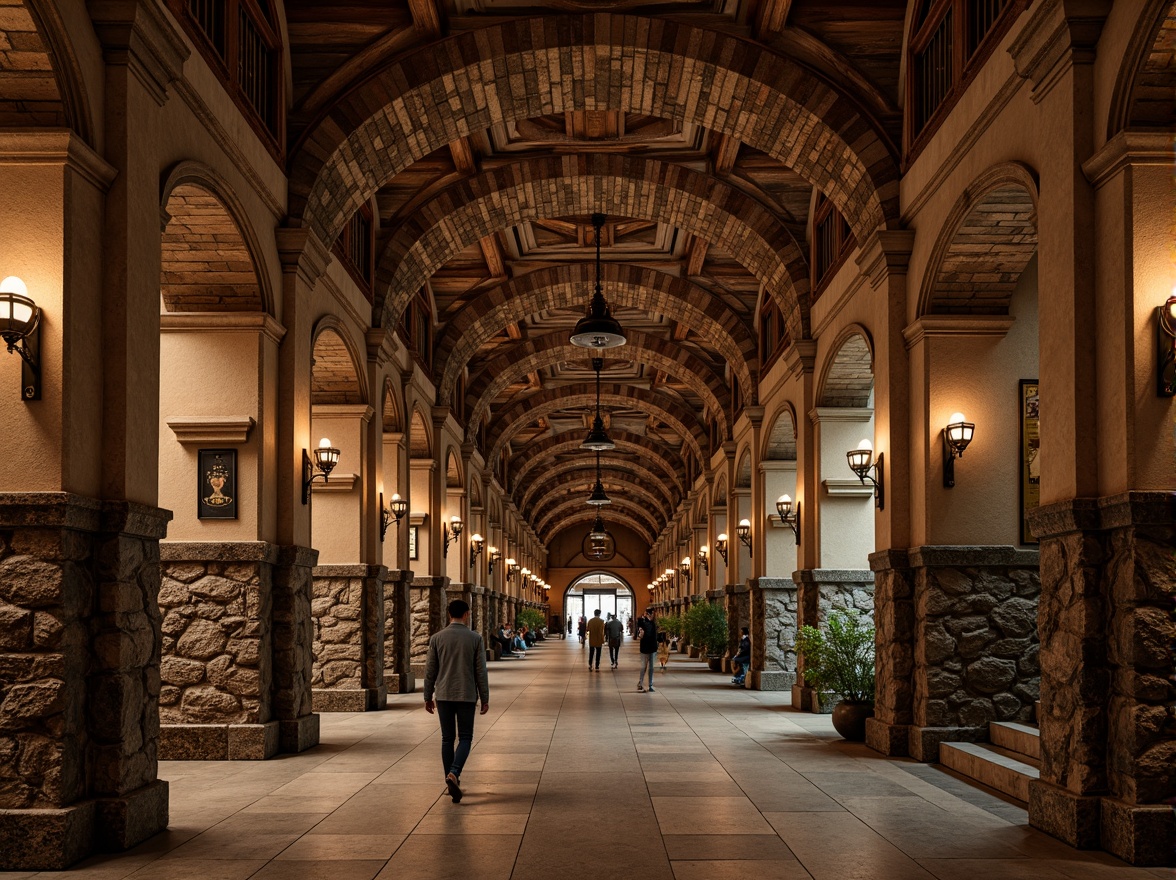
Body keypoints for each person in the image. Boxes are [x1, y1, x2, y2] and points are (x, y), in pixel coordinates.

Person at [424, 599, 490, 804]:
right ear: (467, 614)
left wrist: (427, 696)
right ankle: (454, 773)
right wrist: (485, 697)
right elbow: (481, 671)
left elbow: (430, 671)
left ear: (448, 614)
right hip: (466, 695)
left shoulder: (436, 638)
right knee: (465, 738)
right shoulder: (475, 638)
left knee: (446, 738)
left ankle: (450, 780)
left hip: (443, 695)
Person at [635, 608, 657, 692]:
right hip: (645, 648)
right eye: (652, 614)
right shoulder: (642, 622)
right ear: (649, 614)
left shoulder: (653, 623)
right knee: (644, 666)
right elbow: (640, 627)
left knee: (651, 667)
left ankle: (650, 684)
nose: (654, 616)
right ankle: (640, 683)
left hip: (652, 647)